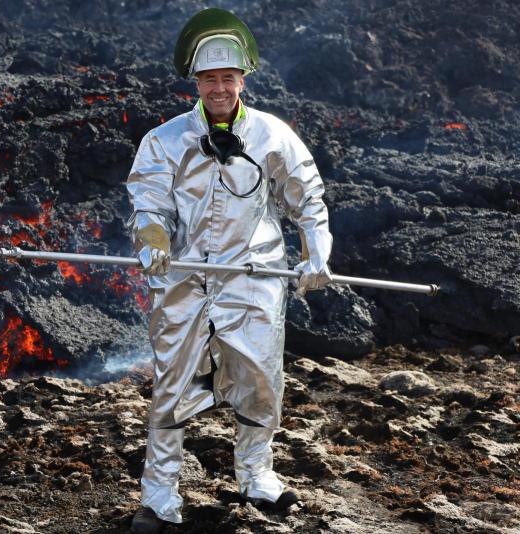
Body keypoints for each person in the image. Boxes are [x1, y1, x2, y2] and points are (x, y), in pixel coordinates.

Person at [125, 8, 333, 533]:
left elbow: (308, 201)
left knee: (262, 381)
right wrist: (153, 240)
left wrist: (316, 255)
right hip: (185, 281)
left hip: (254, 278)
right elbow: (149, 206)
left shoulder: (273, 136)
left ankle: (256, 474)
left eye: (228, 78)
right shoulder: (164, 140)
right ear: (195, 82)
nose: (219, 88)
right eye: (209, 78)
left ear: (243, 80)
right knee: (172, 387)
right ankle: (159, 496)